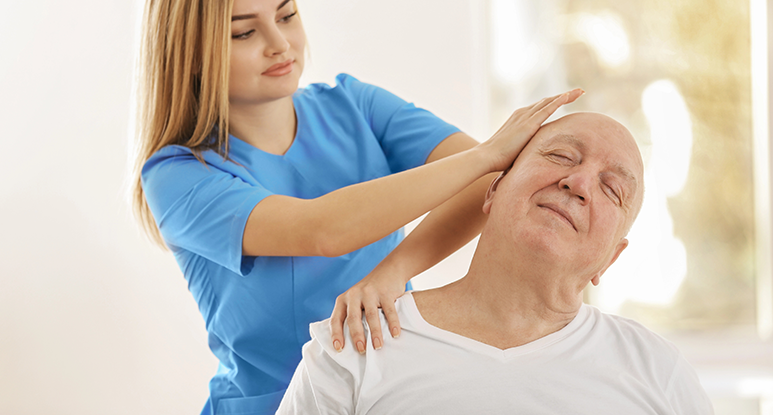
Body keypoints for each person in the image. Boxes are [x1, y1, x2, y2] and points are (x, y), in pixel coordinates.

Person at [130, 0, 583, 414]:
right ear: (189, 52)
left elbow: (490, 189)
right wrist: (487, 153)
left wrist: (393, 273)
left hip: (387, 397)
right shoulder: (176, 175)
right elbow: (325, 230)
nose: (280, 43)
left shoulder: (356, 106)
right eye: (244, 32)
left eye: (288, 15)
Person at [277, 112, 715, 414]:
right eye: (562, 156)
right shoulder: (357, 347)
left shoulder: (658, 372)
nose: (578, 182)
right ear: (491, 190)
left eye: (612, 189)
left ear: (611, 258)